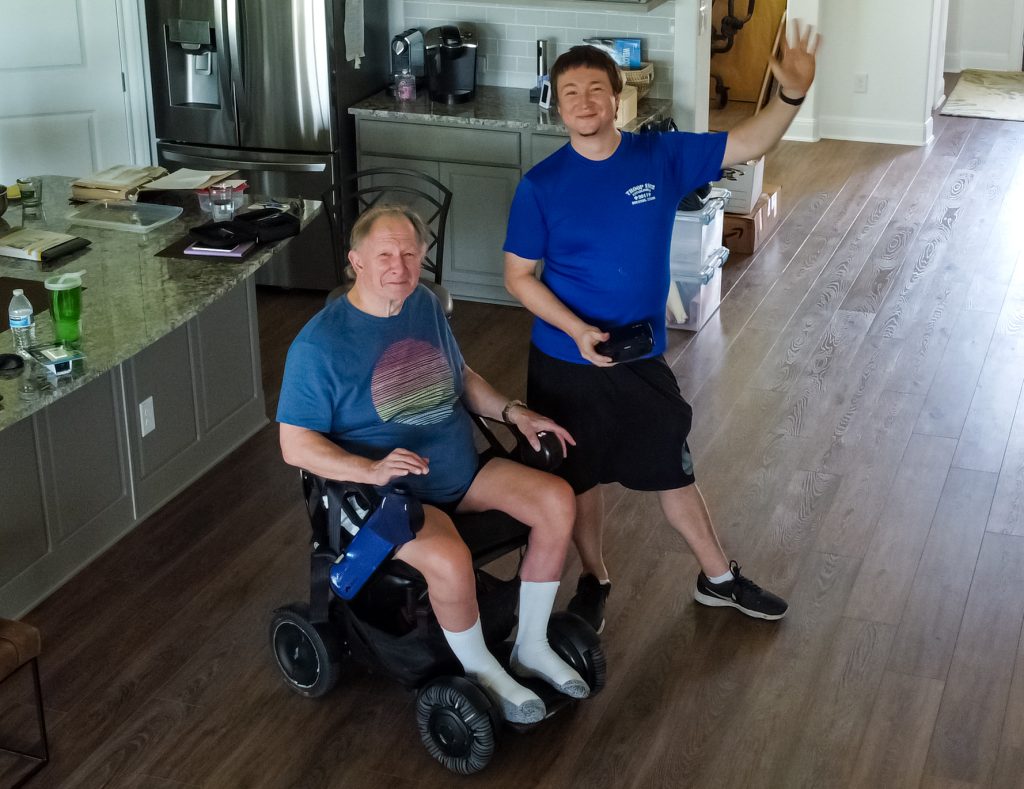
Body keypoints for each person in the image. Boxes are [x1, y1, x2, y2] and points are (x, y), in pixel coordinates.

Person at [503, 23, 821, 633]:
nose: (584, 102)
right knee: (579, 478)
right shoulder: (540, 186)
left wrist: (792, 95)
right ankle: (595, 580)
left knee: (673, 466)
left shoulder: (660, 156)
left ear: (617, 96)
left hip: (637, 353)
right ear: (557, 105)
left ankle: (718, 579)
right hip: (565, 360)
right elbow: (518, 277)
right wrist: (576, 330)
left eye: (596, 89)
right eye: (570, 93)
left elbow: (750, 142)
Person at [277, 204, 591, 725]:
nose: (398, 266)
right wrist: (370, 470)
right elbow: (295, 445)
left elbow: (460, 376)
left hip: (459, 470)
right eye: (384, 255)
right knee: (448, 559)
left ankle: (530, 646)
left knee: (556, 501)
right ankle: (482, 670)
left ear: (422, 257)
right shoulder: (319, 345)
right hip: (389, 497)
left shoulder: (422, 303)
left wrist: (514, 412)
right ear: (356, 261)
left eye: (409, 254)